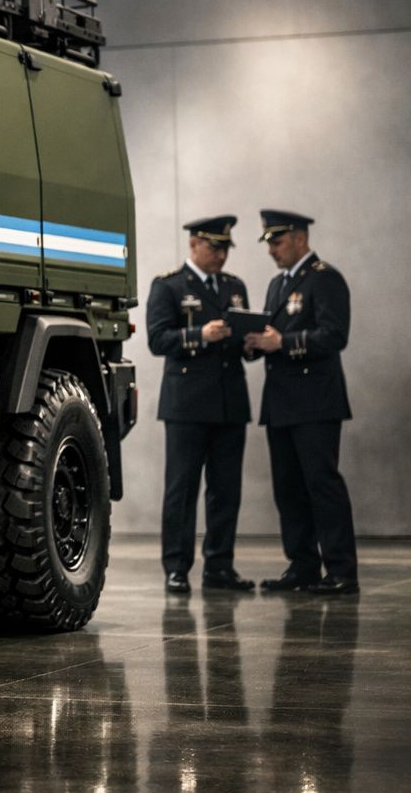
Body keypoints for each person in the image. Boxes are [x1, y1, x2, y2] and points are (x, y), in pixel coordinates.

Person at [245, 210, 358, 594]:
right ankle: (303, 565)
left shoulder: (324, 278)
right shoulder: (278, 285)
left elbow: (335, 335)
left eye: (277, 242)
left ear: (299, 238)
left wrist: (284, 343)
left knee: (322, 485)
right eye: (269, 244)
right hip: (280, 403)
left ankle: (342, 570)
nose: (272, 251)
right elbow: (271, 335)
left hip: (315, 402)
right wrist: (253, 343)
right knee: (288, 489)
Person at [145, 215, 254, 594]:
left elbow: (242, 342)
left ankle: (220, 566)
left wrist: (252, 343)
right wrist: (200, 334)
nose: (221, 255)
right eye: (214, 247)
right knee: (182, 489)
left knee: (226, 491)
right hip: (187, 405)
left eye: (225, 248)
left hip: (229, 402)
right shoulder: (169, 286)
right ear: (194, 244)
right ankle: (176, 567)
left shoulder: (235, 287)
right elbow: (157, 340)